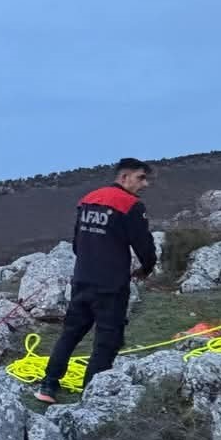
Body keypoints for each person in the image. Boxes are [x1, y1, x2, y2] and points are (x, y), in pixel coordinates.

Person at [34, 158, 158, 404]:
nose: (145, 184)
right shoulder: (130, 205)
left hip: (82, 279)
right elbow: (144, 244)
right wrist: (147, 268)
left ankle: (47, 386)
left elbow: (77, 242)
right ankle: (91, 396)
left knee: (70, 334)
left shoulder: (88, 199)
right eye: (140, 178)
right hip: (111, 285)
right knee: (107, 340)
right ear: (124, 177)